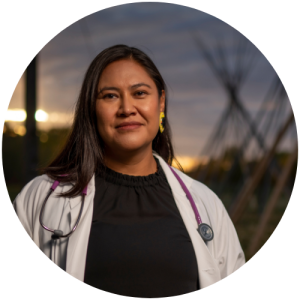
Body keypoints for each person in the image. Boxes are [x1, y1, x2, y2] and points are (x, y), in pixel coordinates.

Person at [12, 44, 245, 297]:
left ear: (161, 102)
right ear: (92, 108)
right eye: (110, 96)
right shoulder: (41, 199)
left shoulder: (206, 204)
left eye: (140, 93)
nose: (126, 108)